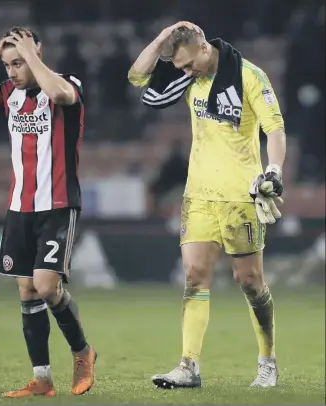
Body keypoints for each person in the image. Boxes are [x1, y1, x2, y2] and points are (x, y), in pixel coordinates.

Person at [128, 21, 286, 389]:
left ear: (203, 48)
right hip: (198, 193)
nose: (183, 73)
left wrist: (274, 170)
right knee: (195, 275)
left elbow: (274, 129)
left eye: (187, 65)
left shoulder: (248, 75)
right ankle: (188, 366)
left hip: (240, 195)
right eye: (179, 67)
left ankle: (267, 361)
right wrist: (162, 37)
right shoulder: (189, 77)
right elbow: (137, 76)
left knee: (249, 281)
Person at [0, 26, 96, 398]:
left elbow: (60, 93)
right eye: (8, 65)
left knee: (47, 287)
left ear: (37, 54)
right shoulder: (7, 94)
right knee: (26, 290)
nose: (13, 72)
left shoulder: (66, 84)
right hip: (20, 206)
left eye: (17, 63)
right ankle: (43, 379)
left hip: (59, 204)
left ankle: (83, 352)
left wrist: (31, 56)